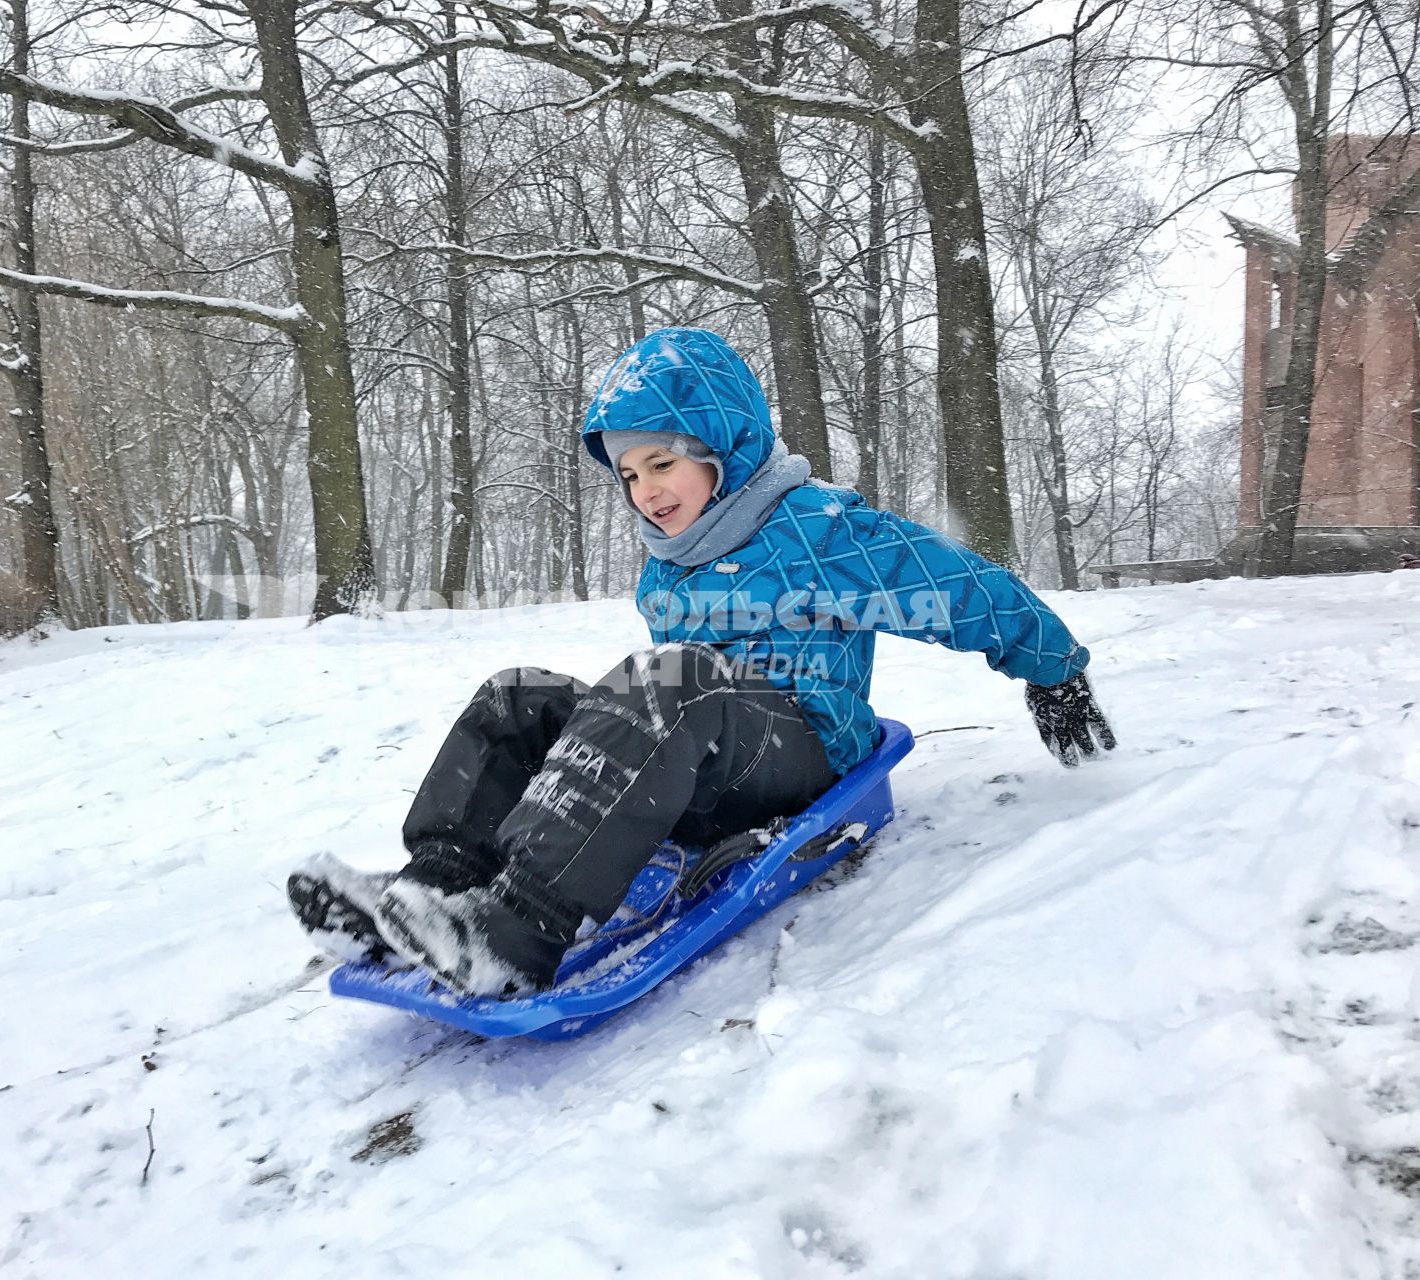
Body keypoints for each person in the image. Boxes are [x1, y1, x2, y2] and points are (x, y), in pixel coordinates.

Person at [289, 327, 1116, 997]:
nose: (646, 489)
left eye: (664, 462)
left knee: (669, 678)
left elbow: (952, 586)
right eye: (629, 473)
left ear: (722, 444)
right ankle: (432, 888)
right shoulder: (671, 555)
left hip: (803, 749)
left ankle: (513, 932)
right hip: (699, 752)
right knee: (517, 697)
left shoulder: (818, 529)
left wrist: (1052, 668)